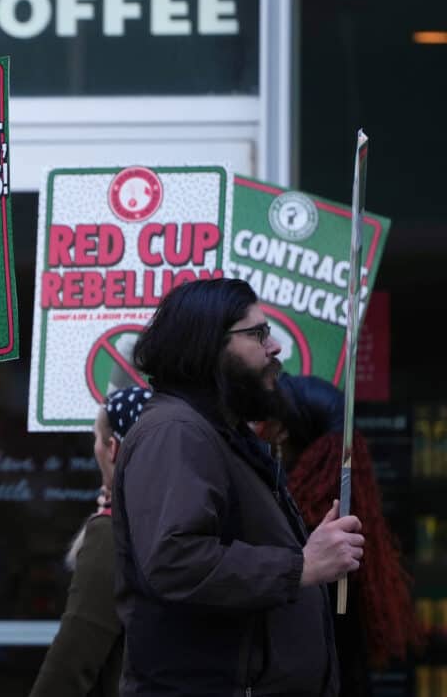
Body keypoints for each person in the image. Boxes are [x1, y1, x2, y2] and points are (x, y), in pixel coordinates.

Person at [113, 278, 364, 695]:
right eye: (258, 334)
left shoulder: (219, 432)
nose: (275, 347)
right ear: (208, 343)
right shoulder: (176, 431)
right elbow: (175, 559)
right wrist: (299, 566)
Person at [258, 374, 420, 696]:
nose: (263, 428)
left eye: (270, 419)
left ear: (283, 432)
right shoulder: (337, 513)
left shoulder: (304, 523)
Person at [29, 386, 149, 697]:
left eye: (95, 438)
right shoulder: (177, 520)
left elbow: (72, 660)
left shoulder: (115, 532)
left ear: (111, 449)